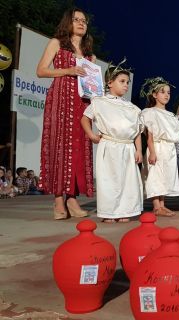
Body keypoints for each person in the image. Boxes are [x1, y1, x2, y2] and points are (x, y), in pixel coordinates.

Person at [36, 7, 94, 219]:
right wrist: (68, 71)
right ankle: (58, 200)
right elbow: (41, 70)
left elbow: (90, 82)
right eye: (76, 19)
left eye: (84, 20)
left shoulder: (88, 53)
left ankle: (72, 198)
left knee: (79, 148)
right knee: (60, 146)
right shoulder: (57, 43)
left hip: (81, 102)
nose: (80, 23)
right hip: (61, 99)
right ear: (68, 23)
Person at [81, 62, 144, 223]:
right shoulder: (99, 102)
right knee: (109, 180)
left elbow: (137, 131)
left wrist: (138, 150)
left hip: (128, 146)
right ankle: (109, 212)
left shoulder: (133, 108)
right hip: (109, 145)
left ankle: (125, 210)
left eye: (127, 82)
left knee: (127, 180)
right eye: (122, 81)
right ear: (110, 83)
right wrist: (91, 135)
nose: (126, 85)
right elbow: (85, 119)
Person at [141, 77, 179, 216]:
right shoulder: (149, 112)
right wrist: (152, 152)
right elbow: (149, 134)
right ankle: (156, 206)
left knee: (166, 177)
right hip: (157, 146)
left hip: (169, 149)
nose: (166, 95)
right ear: (154, 94)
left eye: (168, 93)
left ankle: (162, 205)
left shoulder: (170, 115)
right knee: (155, 175)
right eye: (162, 92)